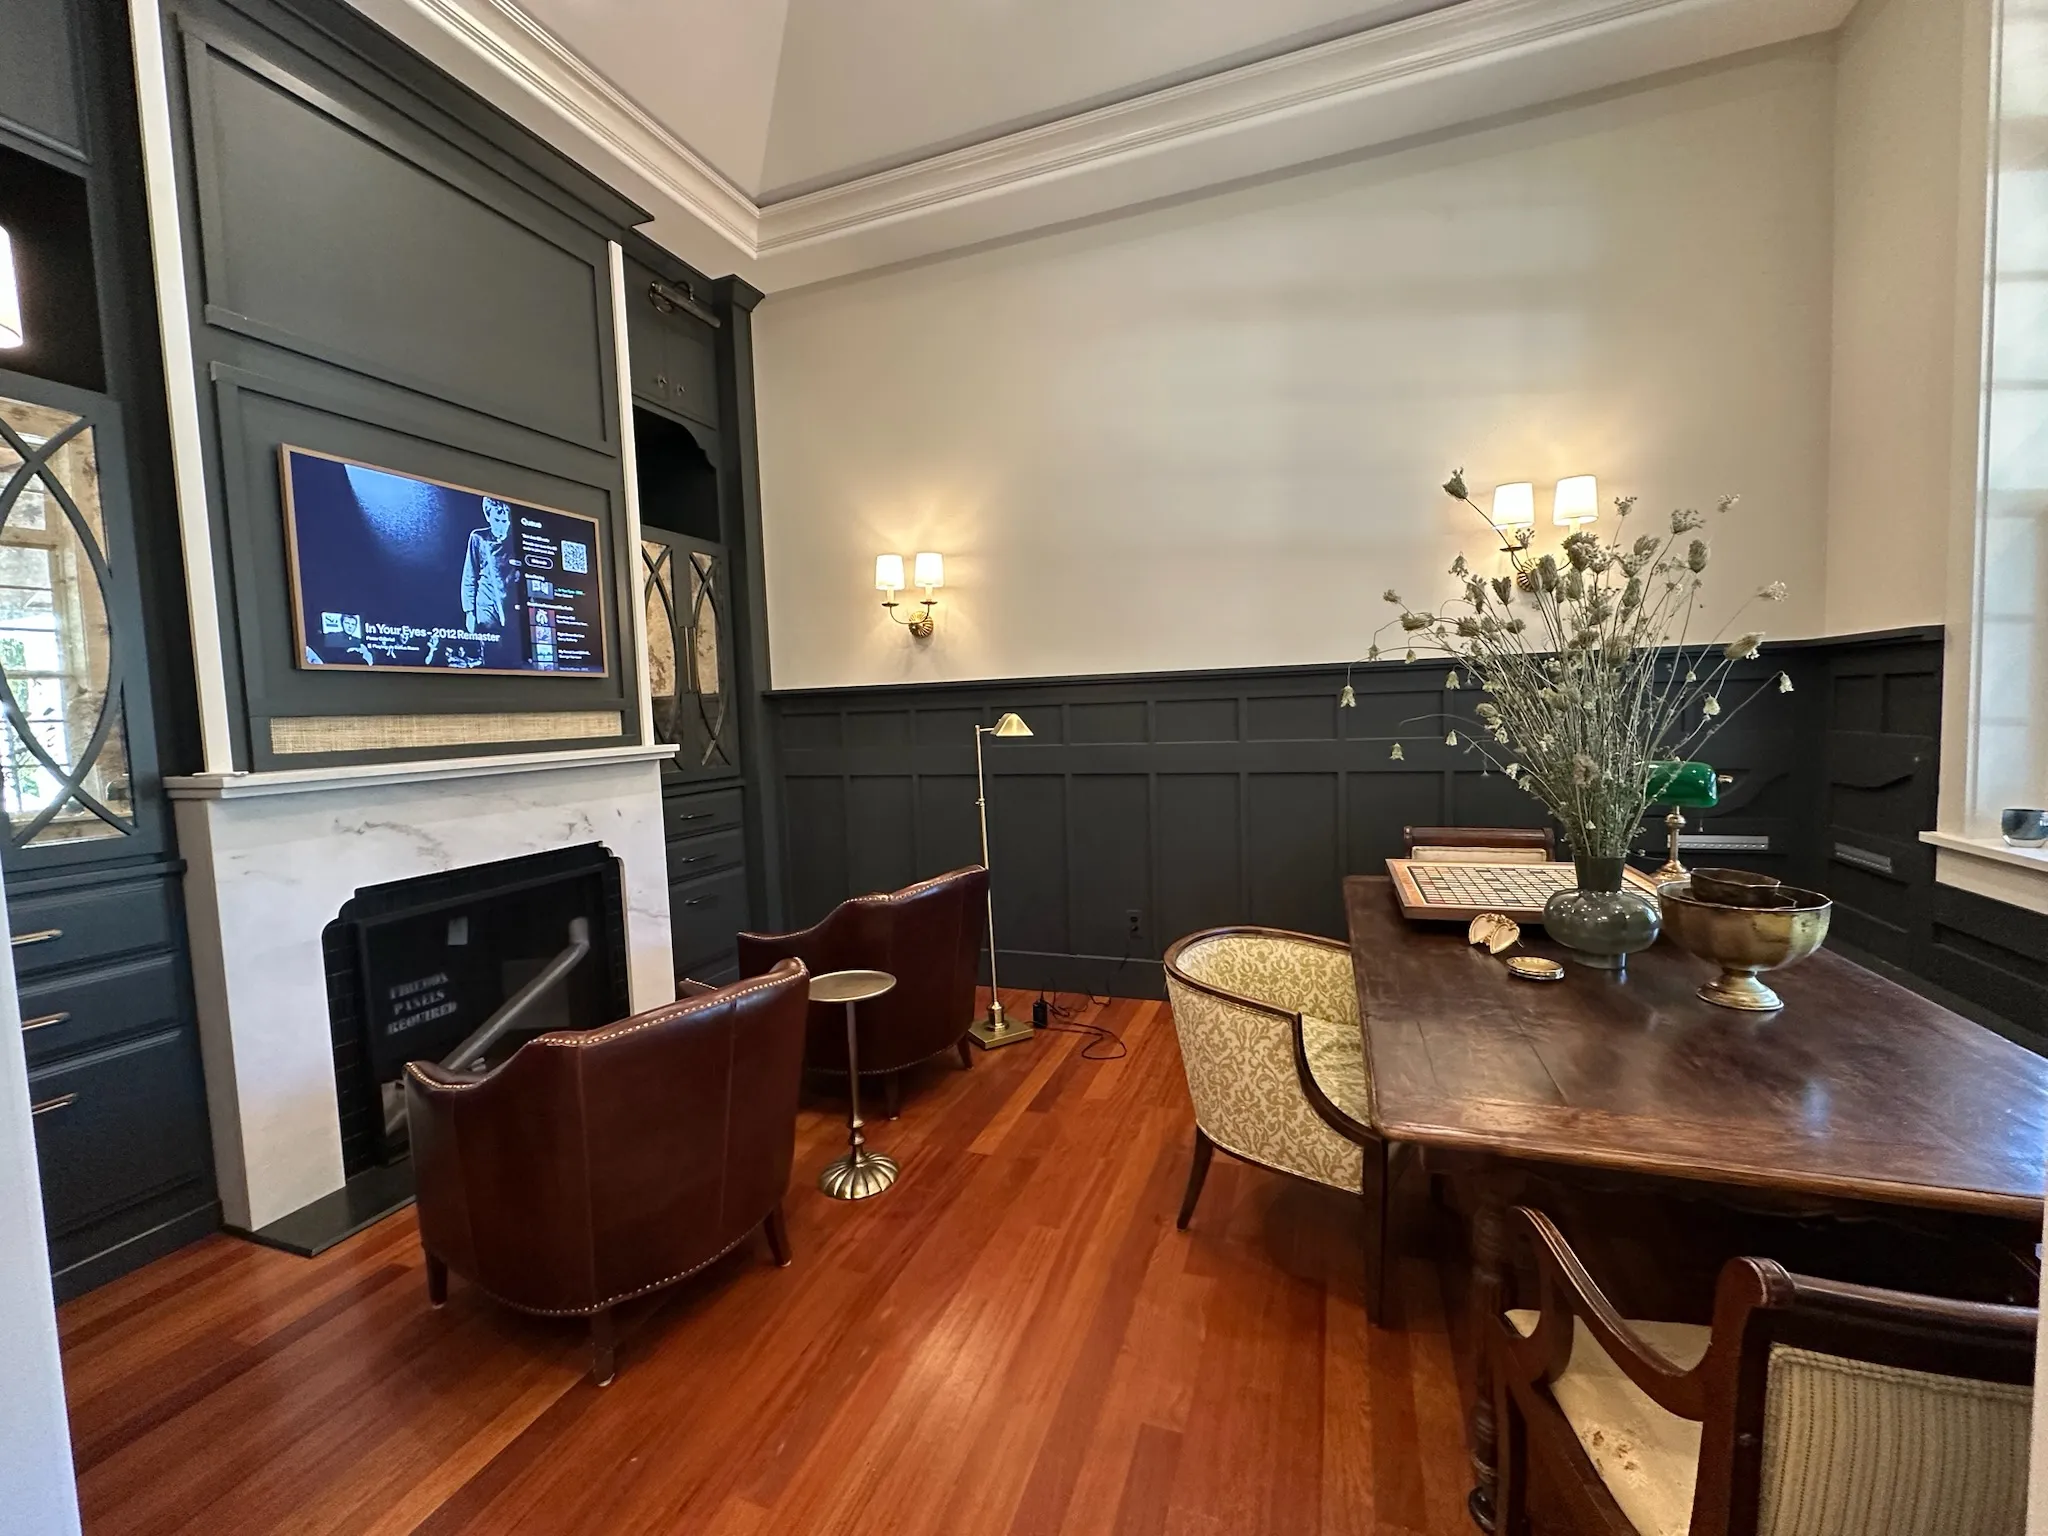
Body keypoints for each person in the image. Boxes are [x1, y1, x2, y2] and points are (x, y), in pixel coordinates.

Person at [460, 496, 520, 663]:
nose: (502, 526)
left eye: (505, 522)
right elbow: (469, 576)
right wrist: (469, 612)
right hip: (487, 607)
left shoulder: (515, 540)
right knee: (492, 655)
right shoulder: (478, 538)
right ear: (489, 517)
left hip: (512, 609)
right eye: (498, 520)